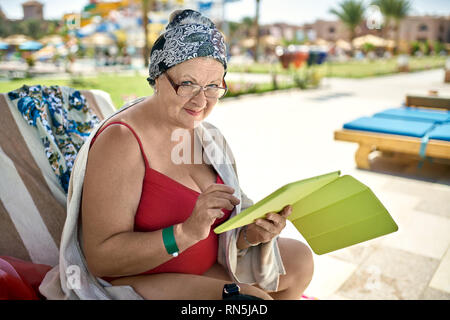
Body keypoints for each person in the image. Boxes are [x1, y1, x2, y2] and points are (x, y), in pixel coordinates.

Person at [40, 9, 313, 300]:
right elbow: (102, 259)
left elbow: (223, 228)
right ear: (157, 77)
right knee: (250, 302)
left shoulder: (207, 136)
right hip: (140, 279)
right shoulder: (122, 141)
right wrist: (184, 234)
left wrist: (250, 236)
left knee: (300, 261)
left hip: (202, 266)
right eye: (187, 84)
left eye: (212, 87)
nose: (201, 101)